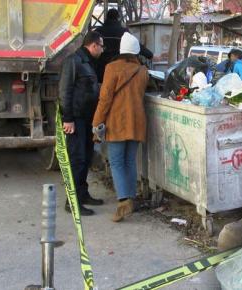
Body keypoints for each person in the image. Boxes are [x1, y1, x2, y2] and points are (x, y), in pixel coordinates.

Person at [92, 32, 149, 222]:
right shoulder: (143, 71)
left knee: (116, 162)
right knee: (130, 161)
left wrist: (96, 122)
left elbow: (105, 98)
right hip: (137, 121)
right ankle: (131, 197)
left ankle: (123, 201)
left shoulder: (111, 68)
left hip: (116, 122)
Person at [59, 31, 105, 216]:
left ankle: (83, 194)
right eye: (101, 46)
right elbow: (65, 90)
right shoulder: (74, 61)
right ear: (93, 45)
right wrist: (67, 118)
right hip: (76, 119)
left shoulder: (87, 62)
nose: (103, 49)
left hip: (86, 119)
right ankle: (72, 202)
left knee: (85, 157)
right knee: (76, 160)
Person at [95, 9, 153, 82]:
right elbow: (136, 45)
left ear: (106, 17)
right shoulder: (123, 32)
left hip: (100, 70)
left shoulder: (97, 31)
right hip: (119, 70)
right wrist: (150, 55)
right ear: (118, 18)